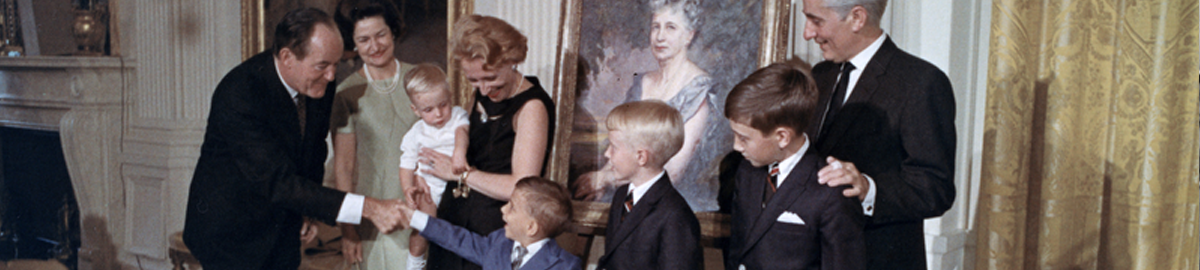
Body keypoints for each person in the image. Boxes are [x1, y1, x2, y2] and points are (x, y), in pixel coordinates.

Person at [183, 8, 405, 269]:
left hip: (282, 225)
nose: (332, 76)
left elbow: (313, 148)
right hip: (231, 233)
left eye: (335, 64)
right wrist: (370, 208)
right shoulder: (240, 93)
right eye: (322, 65)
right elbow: (277, 183)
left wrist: (307, 211)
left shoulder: (320, 80)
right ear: (287, 57)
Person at [801, 0, 957, 269]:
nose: (807, 33)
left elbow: (935, 188)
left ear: (857, 18)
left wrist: (868, 189)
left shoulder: (921, 82)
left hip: (877, 259)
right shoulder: (821, 74)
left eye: (816, 21)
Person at [415, 14, 555, 270]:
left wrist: (462, 175)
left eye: (490, 78)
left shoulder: (532, 106)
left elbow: (520, 186)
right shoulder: (482, 94)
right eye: (473, 80)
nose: (482, 89)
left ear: (511, 61)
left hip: (494, 237)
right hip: (453, 227)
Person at [575, 0, 727, 212]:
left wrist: (607, 179)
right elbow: (620, 142)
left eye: (671, 27)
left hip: (670, 202)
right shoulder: (642, 82)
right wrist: (600, 176)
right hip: (628, 188)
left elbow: (672, 171)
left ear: (689, 35)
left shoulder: (699, 91)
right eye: (656, 26)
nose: (660, 36)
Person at [722, 63, 866, 270]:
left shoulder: (831, 192)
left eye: (744, 138)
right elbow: (738, 250)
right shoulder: (747, 172)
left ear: (782, 137)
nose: (736, 147)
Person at [329, 0, 421, 268]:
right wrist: (347, 230)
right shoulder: (346, 92)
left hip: (422, 206)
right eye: (364, 39)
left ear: (393, 32)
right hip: (374, 215)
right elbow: (343, 167)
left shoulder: (420, 78)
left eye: (381, 35)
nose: (375, 46)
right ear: (354, 44)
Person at [595, 101, 703, 270]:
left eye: (614, 147)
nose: (607, 154)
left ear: (641, 157)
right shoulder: (621, 195)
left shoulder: (675, 216)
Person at [397, 176, 583, 270]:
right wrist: (415, 217)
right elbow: (458, 239)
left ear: (531, 227)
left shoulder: (565, 266)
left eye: (512, 207)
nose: (503, 209)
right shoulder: (499, 241)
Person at [398, 64, 471, 270]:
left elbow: (462, 132)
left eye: (443, 104)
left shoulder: (457, 116)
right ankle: (414, 263)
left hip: (454, 186)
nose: (439, 114)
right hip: (428, 187)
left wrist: (459, 151)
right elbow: (406, 163)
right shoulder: (416, 132)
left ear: (450, 97)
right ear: (416, 110)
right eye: (429, 110)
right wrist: (407, 188)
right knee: (423, 226)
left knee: (452, 233)